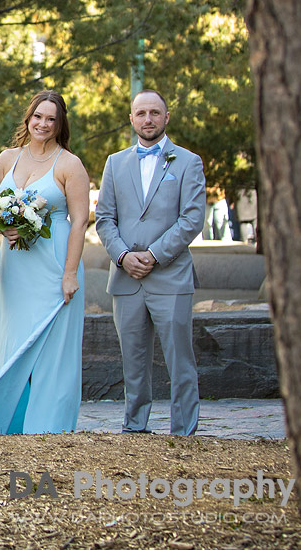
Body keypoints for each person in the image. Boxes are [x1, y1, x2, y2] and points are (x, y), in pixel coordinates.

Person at [0, 91, 89, 435]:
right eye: (38, 117)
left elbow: (79, 221)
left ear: (59, 124)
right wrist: (5, 229)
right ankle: (8, 424)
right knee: (12, 341)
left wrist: (69, 274)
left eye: (51, 119)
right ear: (28, 118)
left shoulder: (69, 164)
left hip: (54, 263)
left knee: (53, 349)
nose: (43, 124)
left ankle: (50, 428)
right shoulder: (7, 158)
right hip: (15, 267)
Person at [95, 89, 206, 435]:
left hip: (170, 276)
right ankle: (135, 426)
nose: (148, 119)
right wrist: (124, 256)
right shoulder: (115, 162)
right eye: (141, 113)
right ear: (131, 119)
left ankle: (184, 430)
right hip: (126, 279)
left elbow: (191, 219)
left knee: (180, 359)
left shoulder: (188, 162)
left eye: (155, 113)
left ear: (166, 117)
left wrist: (155, 254)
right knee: (133, 360)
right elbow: (104, 218)